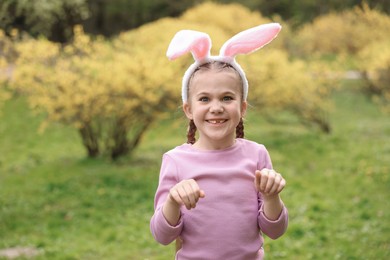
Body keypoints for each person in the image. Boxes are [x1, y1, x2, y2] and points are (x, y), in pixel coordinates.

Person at [150, 23, 288, 259]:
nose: (216, 108)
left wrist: (271, 196)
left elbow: (275, 230)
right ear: (189, 109)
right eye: (204, 99)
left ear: (242, 107)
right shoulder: (176, 161)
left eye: (227, 97)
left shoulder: (256, 155)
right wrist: (173, 200)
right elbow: (162, 236)